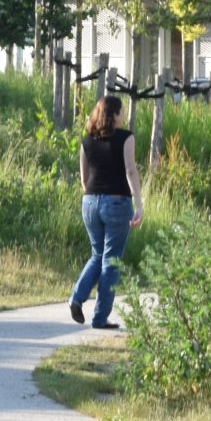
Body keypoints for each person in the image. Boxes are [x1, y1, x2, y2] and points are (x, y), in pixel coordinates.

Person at [71, 94, 142, 328]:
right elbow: (131, 172)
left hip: (89, 202)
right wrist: (138, 204)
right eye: (121, 111)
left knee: (97, 255)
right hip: (116, 202)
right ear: (113, 114)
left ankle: (76, 298)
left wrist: (95, 197)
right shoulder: (126, 138)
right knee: (111, 261)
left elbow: (84, 178)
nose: (123, 116)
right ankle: (100, 317)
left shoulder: (86, 141)